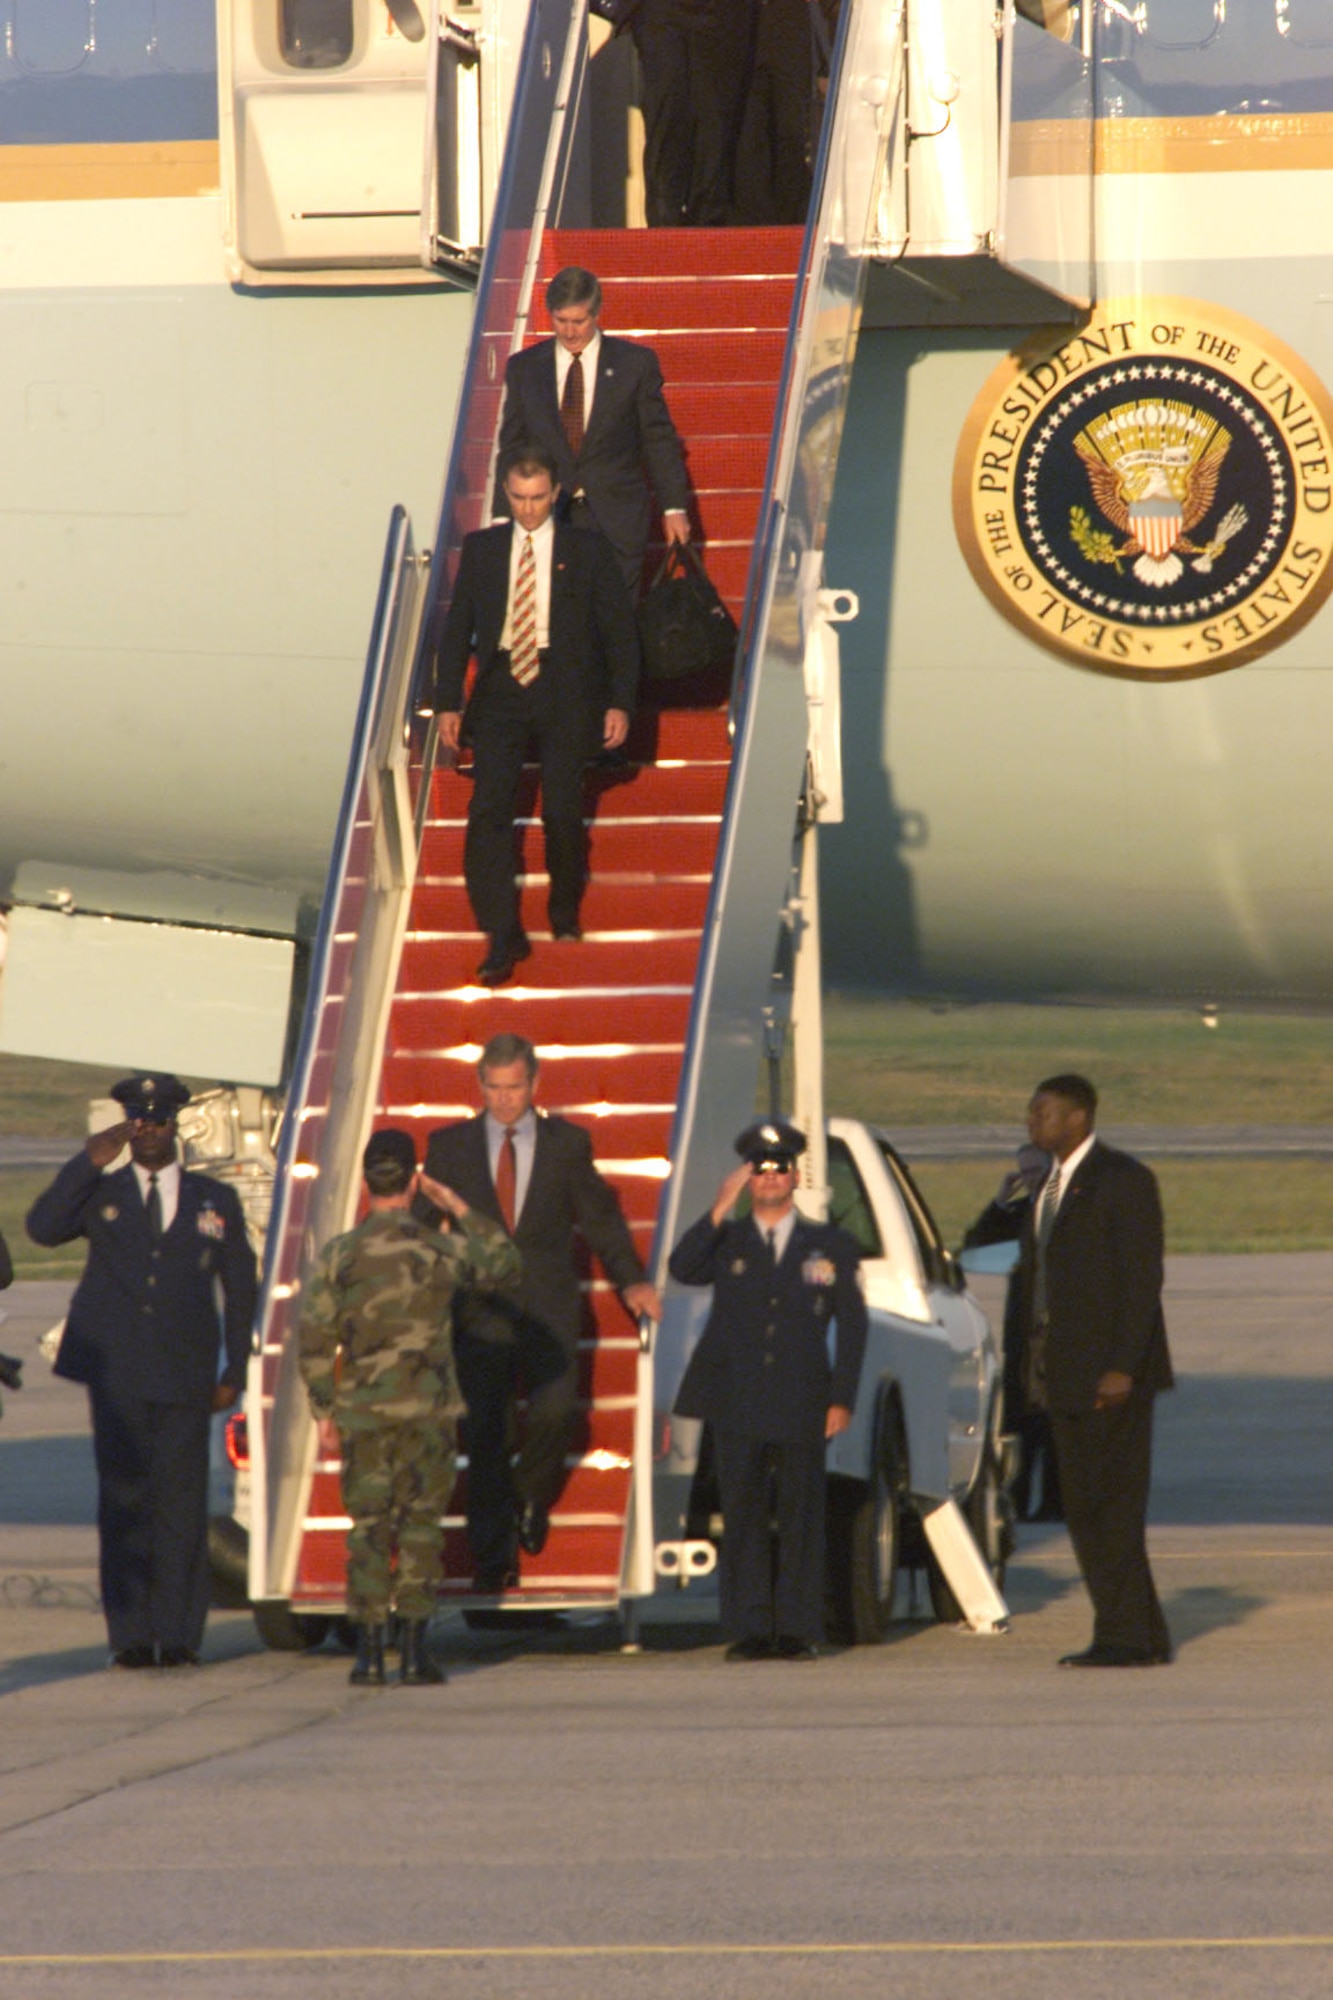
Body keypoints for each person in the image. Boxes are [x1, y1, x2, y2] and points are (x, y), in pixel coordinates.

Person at [415, 1033, 661, 1593]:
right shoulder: (450, 1146)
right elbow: (423, 1227)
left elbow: (599, 1219)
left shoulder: (566, 1145)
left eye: (515, 1088)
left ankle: (530, 1496)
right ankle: (491, 1557)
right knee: (485, 1433)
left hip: (549, 1306)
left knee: (553, 1415)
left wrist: (632, 1280)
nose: (505, 1100)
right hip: (481, 1310)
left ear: (534, 1084)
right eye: (495, 1089)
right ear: (480, 1086)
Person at [26, 1073, 256, 1669]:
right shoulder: (105, 1196)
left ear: (175, 1125)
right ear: (128, 1128)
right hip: (120, 1375)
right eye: (139, 1122)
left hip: (186, 1375)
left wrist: (236, 1368)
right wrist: (86, 1163)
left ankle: (178, 1634)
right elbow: (42, 1229)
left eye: (158, 1121)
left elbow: (240, 1286)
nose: (149, 1131)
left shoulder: (213, 1199)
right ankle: (131, 1635)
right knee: (125, 1503)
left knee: (182, 1505)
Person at [297, 1128, 519, 1686]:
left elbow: (316, 1340)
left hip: (365, 1415)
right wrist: (456, 1205)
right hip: (427, 1413)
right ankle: (416, 1652)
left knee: (368, 1529)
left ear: (368, 1181)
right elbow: (504, 1264)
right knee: (421, 1530)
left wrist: (324, 1412)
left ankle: (369, 1653)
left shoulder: (340, 1255)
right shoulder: (437, 1248)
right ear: (412, 1179)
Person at [435, 447, 642, 986]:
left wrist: (619, 701)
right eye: (519, 498)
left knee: (563, 812)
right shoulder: (483, 550)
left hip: (566, 688)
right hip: (503, 686)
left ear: (555, 494)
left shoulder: (587, 550)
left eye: (538, 498)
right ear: (507, 493)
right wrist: (447, 702)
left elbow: (620, 633)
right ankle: (502, 936)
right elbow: (457, 631)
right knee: (488, 813)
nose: (528, 510)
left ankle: (564, 909)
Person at [669, 1119, 867, 1660]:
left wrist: (841, 1398)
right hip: (737, 1398)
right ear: (748, 1178)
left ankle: (798, 1628)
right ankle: (752, 1627)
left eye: (780, 1169)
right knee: (744, 1513)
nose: (771, 1178)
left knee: (803, 1514)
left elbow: (852, 1325)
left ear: (796, 1176)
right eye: (760, 1170)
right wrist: (718, 1205)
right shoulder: (727, 1240)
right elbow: (681, 1267)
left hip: (803, 1396)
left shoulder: (828, 1244)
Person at [1016, 1074, 1174, 1668]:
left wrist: (1121, 1367)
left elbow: (1141, 1283)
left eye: (1043, 1112)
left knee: (1111, 1506)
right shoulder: (1049, 1184)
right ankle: (1140, 1631)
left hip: (1108, 1377)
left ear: (1078, 1118)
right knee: (1086, 1508)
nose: (1031, 1122)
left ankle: (1124, 1637)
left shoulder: (1122, 1180)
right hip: (1063, 1374)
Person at [493, 265, 691, 598]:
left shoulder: (634, 365)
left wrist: (673, 507)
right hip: (551, 515)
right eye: (561, 321)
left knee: (616, 623)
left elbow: (658, 440)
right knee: (560, 620)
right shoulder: (525, 369)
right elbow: (512, 447)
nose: (569, 332)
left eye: (578, 321)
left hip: (618, 518)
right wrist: (502, 515)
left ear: (596, 315)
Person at [963, 1142, 1063, 1522]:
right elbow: (976, 1246)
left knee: (1054, 1429)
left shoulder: (1068, 1212)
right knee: (1018, 1425)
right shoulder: (1019, 1214)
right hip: (1023, 1341)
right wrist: (1002, 1201)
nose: (1031, 1179)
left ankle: (1054, 1504)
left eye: (1036, 1171)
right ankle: (1016, 1502)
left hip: (1059, 1337)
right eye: (1025, 1172)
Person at [615, 0, 755, 229]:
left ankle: (711, 220)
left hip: (721, 12)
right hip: (660, 9)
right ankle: (664, 224)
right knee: (667, 107)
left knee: (715, 117)